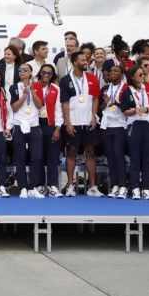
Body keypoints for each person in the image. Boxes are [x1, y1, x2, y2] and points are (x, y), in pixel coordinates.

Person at [60, 50, 102, 197]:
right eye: (83, 60)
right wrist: (68, 123)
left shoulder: (91, 78)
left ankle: (93, 187)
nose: (86, 62)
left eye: (86, 60)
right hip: (74, 122)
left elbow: (96, 98)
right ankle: (70, 186)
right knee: (71, 152)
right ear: (75, 62)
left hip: (88, 122)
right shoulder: (65, 80)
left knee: (91, 152)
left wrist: (94, 116)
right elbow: (64, 103)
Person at [120, 64, 149, 200]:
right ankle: (135, 187)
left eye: (144, 74)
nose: (143, 76)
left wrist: (146, 110)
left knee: (147, 158)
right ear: (133, 77)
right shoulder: (127, 91)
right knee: (135, 158)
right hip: (134, 125)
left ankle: (147, 188)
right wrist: (134, 111)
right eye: (140, 74)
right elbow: (125, 110)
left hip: (148, 124)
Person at [9, 64, 45, 198]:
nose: (22, 72)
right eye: (20, 70)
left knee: (37, 157)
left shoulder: (38, 86)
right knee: (20, 158)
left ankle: (33, 187)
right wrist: (24, 95)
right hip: (19, 125)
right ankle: (23, 187)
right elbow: (14, 107)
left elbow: (40, 105)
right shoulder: (14, 87)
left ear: (31, 72)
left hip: (34, 125)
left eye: (25, 70)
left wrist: (32, 91)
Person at [35, 64, 64, 197]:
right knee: (38, 156)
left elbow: (59, 109)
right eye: (44, 73)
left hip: (50, 124)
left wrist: (58, 128)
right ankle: (40, 185)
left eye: (49, 74)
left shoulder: (56, 89)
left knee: (52, 156)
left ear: (53, 76)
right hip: (35, 124)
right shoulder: (34, 87)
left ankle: (53, 186)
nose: (46, 75)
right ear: (40, 73)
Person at [100, 65, 128, 198]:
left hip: (120, 125)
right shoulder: (105, 89)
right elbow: (101, 108)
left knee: (118, 154)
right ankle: (115, 185)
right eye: (111, 71)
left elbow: (129, 107)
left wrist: (116, 102)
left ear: (122, 74)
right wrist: (105, 104)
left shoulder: (126, 89)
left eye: (115, 71)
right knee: (110, 156)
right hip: (107, 125)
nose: (112, 72)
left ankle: (123, 185)